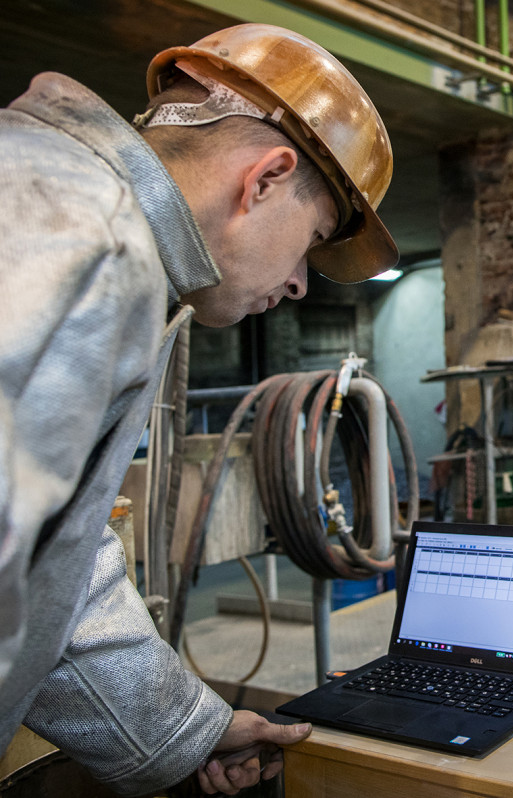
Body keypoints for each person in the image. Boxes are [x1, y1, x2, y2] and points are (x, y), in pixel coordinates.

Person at [0, 23, 397, 796]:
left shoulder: (62, 208)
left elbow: (54, 572)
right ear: (266, 179)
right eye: (312, 239)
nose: (299, 283)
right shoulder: (91, 242)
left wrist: (185, 729)